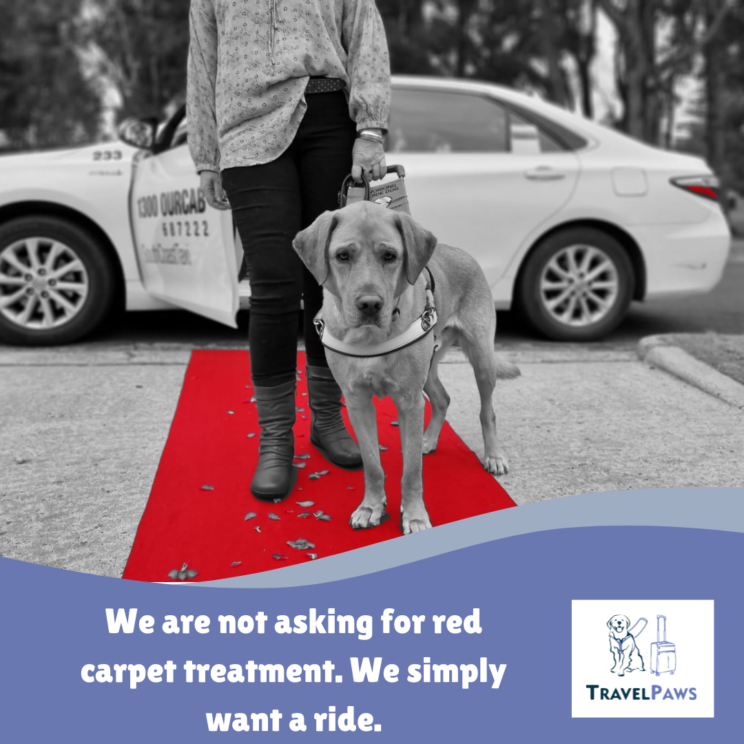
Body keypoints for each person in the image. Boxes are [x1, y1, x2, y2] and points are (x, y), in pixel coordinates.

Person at [187, 0, 391, 501]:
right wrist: (207, 157)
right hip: (247, 130)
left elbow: (364, 34)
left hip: (327, 119)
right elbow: (202, 58)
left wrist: (370, 129)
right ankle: (277, 438)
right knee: (274, 282)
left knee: (327, 279)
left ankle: (326, 418)